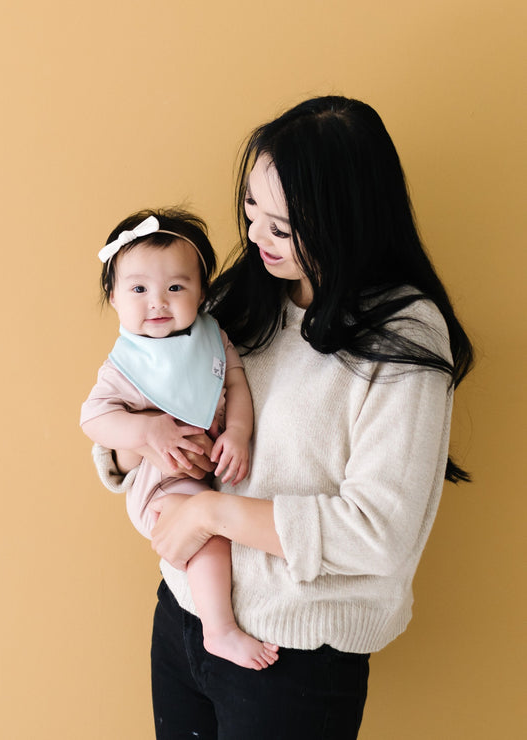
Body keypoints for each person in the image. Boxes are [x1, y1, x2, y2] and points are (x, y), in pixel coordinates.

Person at [90, 96, 474, 739]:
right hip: (183, 619)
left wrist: (209, 513)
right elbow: (137, 402)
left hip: (291, 664)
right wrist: (137, 446)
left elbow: (380, 533)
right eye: (250, 210)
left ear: (344, 220)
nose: (256, 239)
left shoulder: (406, 336)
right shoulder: (243, 295)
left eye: (282, 226)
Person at [81, 208, 279, 670]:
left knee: (213, 522)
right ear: (114, 297)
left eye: (176, 287)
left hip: (211, 474)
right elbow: (94, 418)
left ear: (202, 291)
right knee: (208, 536)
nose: (158, 302)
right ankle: (220, 630)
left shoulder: (212, 338)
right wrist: (147, 429)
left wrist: (240, 431)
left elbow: (235, 384)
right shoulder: (127, 365)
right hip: (164, 485)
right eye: (138, 289)